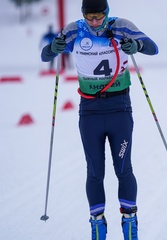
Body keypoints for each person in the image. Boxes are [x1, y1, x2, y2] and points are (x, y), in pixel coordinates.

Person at [41, 0, 158, 239]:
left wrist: (135, 44)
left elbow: (153, 48)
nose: (95, 22)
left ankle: (129, 221)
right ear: (83, 14)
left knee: (123, 168)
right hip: (91, 111)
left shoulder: (121, 26)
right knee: (95, 171)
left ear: (107, 13)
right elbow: (46, 56)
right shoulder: (74, 30)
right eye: (89, 17)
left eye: (99, 17)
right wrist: (55, 46)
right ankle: (97, 224)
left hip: (119, 109)